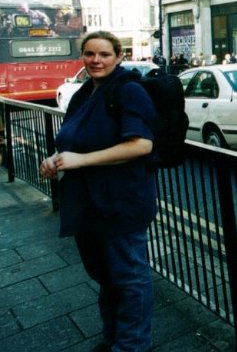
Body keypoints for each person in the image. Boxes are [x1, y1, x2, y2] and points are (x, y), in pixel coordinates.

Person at [39, 31, 158, 352]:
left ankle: (132, 345)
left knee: (130, 278)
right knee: (107, 277)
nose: (96, 60)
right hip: (89, 202)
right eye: (89, 54)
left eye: (104, 54)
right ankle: (113, 338)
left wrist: (81, 160)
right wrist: (56, 160)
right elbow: (73, 140)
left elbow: (141, 144)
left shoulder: (129, 91)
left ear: (119, 57)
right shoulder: (85, 93)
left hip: (121, 202)